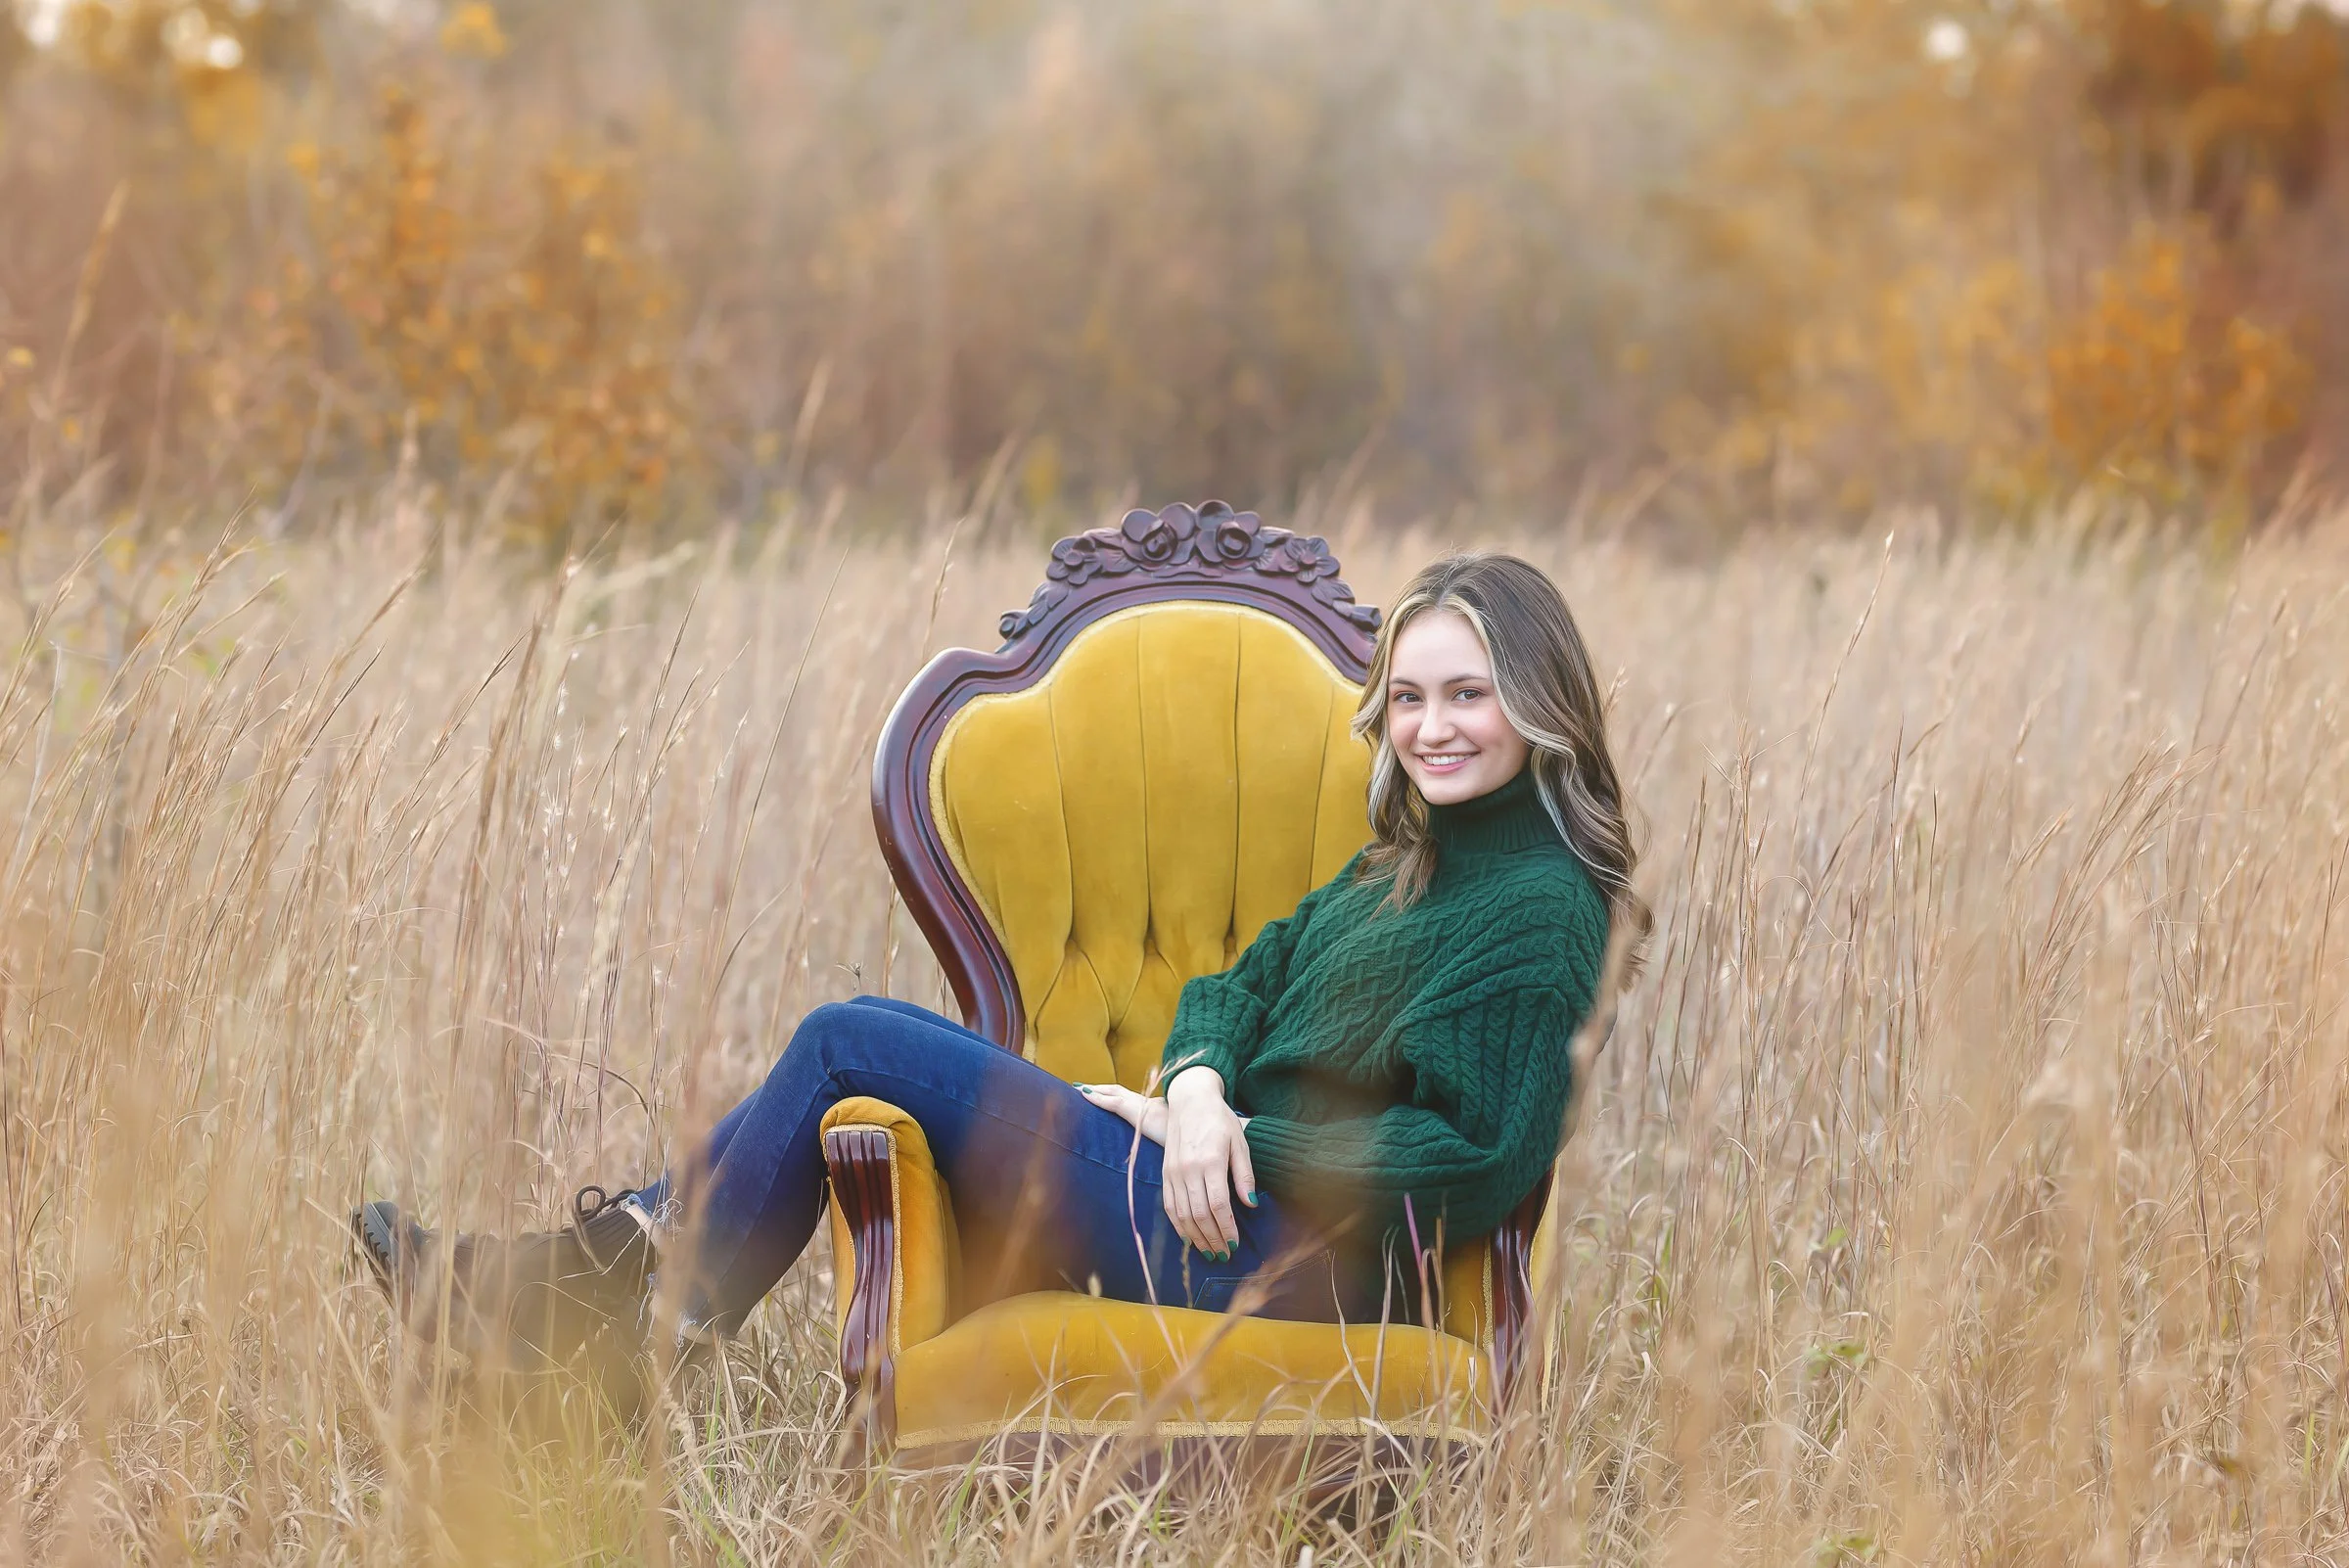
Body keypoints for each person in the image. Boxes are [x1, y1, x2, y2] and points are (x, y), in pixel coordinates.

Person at [353, 551, 1643, 1392]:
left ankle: (602, 1307)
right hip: (1202, 1190)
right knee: (845, 1047)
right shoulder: (1407, 860)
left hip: (1277, 1259)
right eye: (1407, 697)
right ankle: (616, 1303)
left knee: (845, 1039)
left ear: (1540, 704)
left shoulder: (1540, 907)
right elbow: (1241, 984)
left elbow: (1472, 1157)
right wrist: (1193, 1084)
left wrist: (1246, 1132)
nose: (1428, 727)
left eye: (1467, 695)